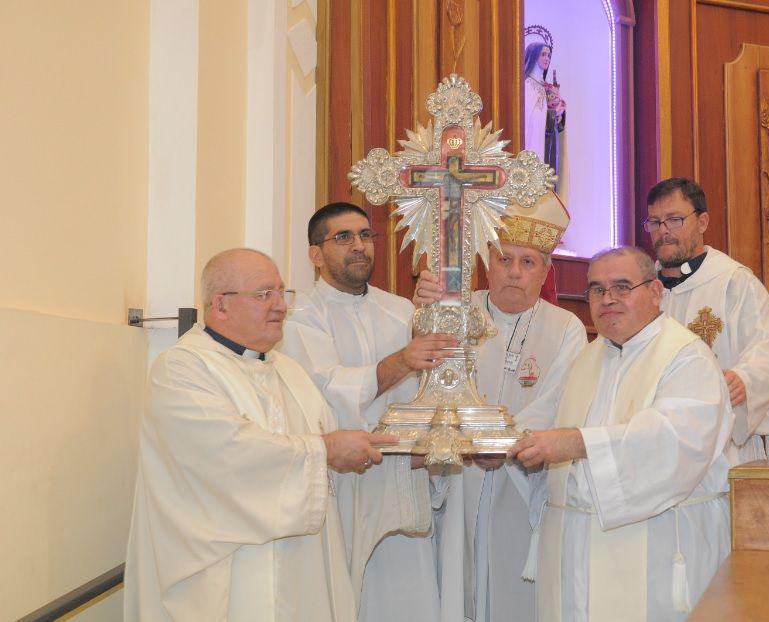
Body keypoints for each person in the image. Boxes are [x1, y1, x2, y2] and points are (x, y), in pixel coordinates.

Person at [124, 248, 430, 621]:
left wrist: (406, 454)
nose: (280, 306)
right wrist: (325, 451)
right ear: (220, 305)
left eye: (282, 293)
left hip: (301, 580)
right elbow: (227, 457)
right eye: (263, 294)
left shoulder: (287, 370)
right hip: (229, 582)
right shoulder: (183, 369)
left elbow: (334, 458)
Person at [508, 246, 733, 622]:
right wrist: (507, 446)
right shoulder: (589, 357)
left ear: (655, 292)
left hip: (655, 551)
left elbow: (673, 443)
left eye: (622, 287)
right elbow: (546, 427)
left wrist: (577, 442)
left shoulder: (687, 356)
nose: (607, 299)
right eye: (596, 289)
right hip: (576, 552)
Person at [413, 191, 587, 622]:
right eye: (504, 259)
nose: (514, 273)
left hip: (523, 475)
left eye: (527, 262)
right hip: (460, 475)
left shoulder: (566, 328)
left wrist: (502, 442)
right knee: (457, 582)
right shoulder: (456, 312)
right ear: (487, 260)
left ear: (545, 270)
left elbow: (559, 400)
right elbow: (430, 382)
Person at [278, 202, 455, 622]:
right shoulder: (298, 316)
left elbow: (425, 388)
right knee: (347, 599)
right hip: (345, 484)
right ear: (315, 254)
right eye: (343, 237)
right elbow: (327, 391)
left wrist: (434, 314)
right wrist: (403, 359)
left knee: (409, 600)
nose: (359, 246)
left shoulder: (399, 310)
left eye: (365, 235)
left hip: (401, 474)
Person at [643, 177, 769, 462]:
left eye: (674, 220)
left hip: (725, 446)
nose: (663, 232)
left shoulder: (733, 282)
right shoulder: (641, 290)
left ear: (702, 222)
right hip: (659, 443)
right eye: (654, 222)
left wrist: (745, 378)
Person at [523, 40, 566, 196]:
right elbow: (530, 117)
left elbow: (552, 122)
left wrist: (559, 114)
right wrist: (552, 115)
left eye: (548, 55)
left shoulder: (545, 87)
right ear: (533, 56)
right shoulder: (527, 85)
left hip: (548, 142)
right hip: (533, 143)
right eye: (543, 54)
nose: (547, 58)